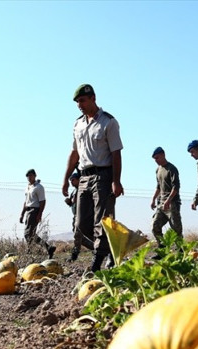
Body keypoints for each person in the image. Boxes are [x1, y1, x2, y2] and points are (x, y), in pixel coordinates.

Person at [62, 84, 124, 273]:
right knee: (81, 224)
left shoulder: (108, 122)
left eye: (82, 100)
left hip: (103, 176)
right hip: (83, 177)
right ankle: (114, 246)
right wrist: (65, 179)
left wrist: (116, 181)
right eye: (77, 102)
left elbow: (116, 154)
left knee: (102, 221)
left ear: (93, 98)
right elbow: (74, 153)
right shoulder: (78, 124)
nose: (79, 105)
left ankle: (96, 264)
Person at [150, 147, 183, 246]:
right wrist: (153, 199)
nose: (156, 160)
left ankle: (181, 250)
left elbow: (176, 187)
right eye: (154, 159)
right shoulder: (158, 170)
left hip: (172, 203)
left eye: (157, 158)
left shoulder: (171, 169)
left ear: (163, 155)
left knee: (176, 228)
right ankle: (162, 247)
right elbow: (158, 186)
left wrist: (168, 201)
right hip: (161, 203)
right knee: (154, 226)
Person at [20, 169, 56, 259]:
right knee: (29, 233)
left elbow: (42, 201)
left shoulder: (39, 187)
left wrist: (39, 214)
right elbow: (26, 202)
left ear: (35, 176)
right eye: (28, 176)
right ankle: (48, 248)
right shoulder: (28, 187)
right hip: (28, 210)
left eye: (31, 175)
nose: (29, 177)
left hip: (35, 210)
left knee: (29, 233)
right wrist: (22, 214)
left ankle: (30, 250)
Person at [65, 168, 95, 261]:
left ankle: (74, 254)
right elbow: (73, 203)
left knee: (77, 235)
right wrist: (69, 202)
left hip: (83, 216)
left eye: (73, 180)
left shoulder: (84, 190)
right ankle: (97, 248)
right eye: (70, 180)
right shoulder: (74, 191)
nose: (71, 182)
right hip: (75, 215)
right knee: (79, 237)